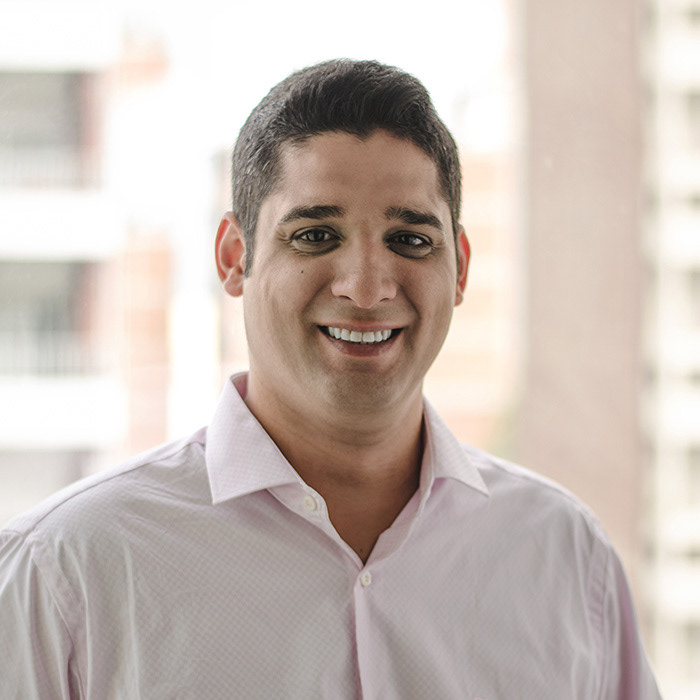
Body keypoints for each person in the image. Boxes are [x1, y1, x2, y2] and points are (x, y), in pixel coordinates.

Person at [0, 59, 661, 699]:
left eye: (410, 240)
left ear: (459, 267)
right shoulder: (64, 573)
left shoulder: (566, 558)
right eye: (316, 236)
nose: (367, 289)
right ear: (233, 257)